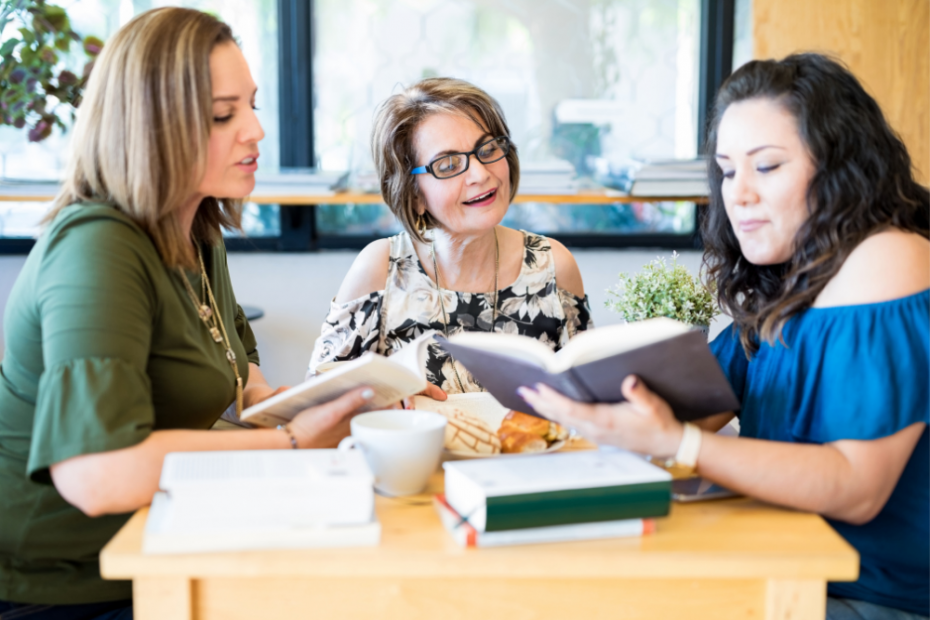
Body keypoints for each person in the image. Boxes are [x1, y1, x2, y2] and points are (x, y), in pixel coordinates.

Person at [518, 54, 929, 619]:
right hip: (788, 562)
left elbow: (857, 488)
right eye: (728, 170)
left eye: (767, 167)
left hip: (866, 595)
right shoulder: (791, 273)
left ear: (839, 168)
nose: (738, 195)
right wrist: (575, 404)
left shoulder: (889, 257)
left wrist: (677, 443)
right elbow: (697, 403)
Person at [0, 8, 372, 618]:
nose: (255, 129)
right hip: (63, 581)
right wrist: (292, 444)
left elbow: (243, 382)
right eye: (224, 115)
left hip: (160, 539)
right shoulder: (98, 247)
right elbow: (97, 476)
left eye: (251, 104)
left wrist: (355, 401)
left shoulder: (196, 226)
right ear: (151, 126)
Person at [308, 78, 592, 397]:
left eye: (488, 149)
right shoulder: (381, 269)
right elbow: (316, 401)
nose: (481, 174)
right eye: (448, 164)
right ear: (413, 193)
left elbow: (590, 397)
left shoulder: (553, 264)